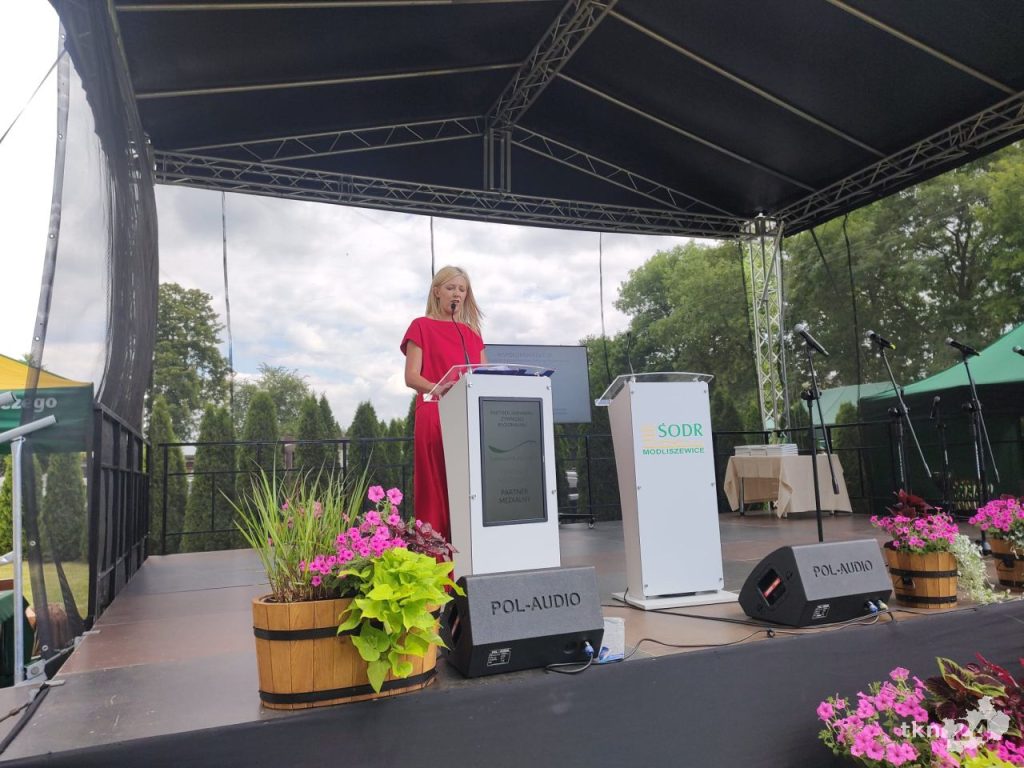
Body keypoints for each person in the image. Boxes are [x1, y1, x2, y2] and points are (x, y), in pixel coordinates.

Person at [400, 266, 487, 541]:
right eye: (451, 288)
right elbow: (411, 376)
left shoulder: (472, 333)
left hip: (467, 415)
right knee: (435, 487)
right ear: (437, 291)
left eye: (462, 289)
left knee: (467, 486)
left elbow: (484, 377)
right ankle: (435, 556)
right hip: (434, 411)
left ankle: (468, 553)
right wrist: (438, 387)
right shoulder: (421, 326)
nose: (457, 294)